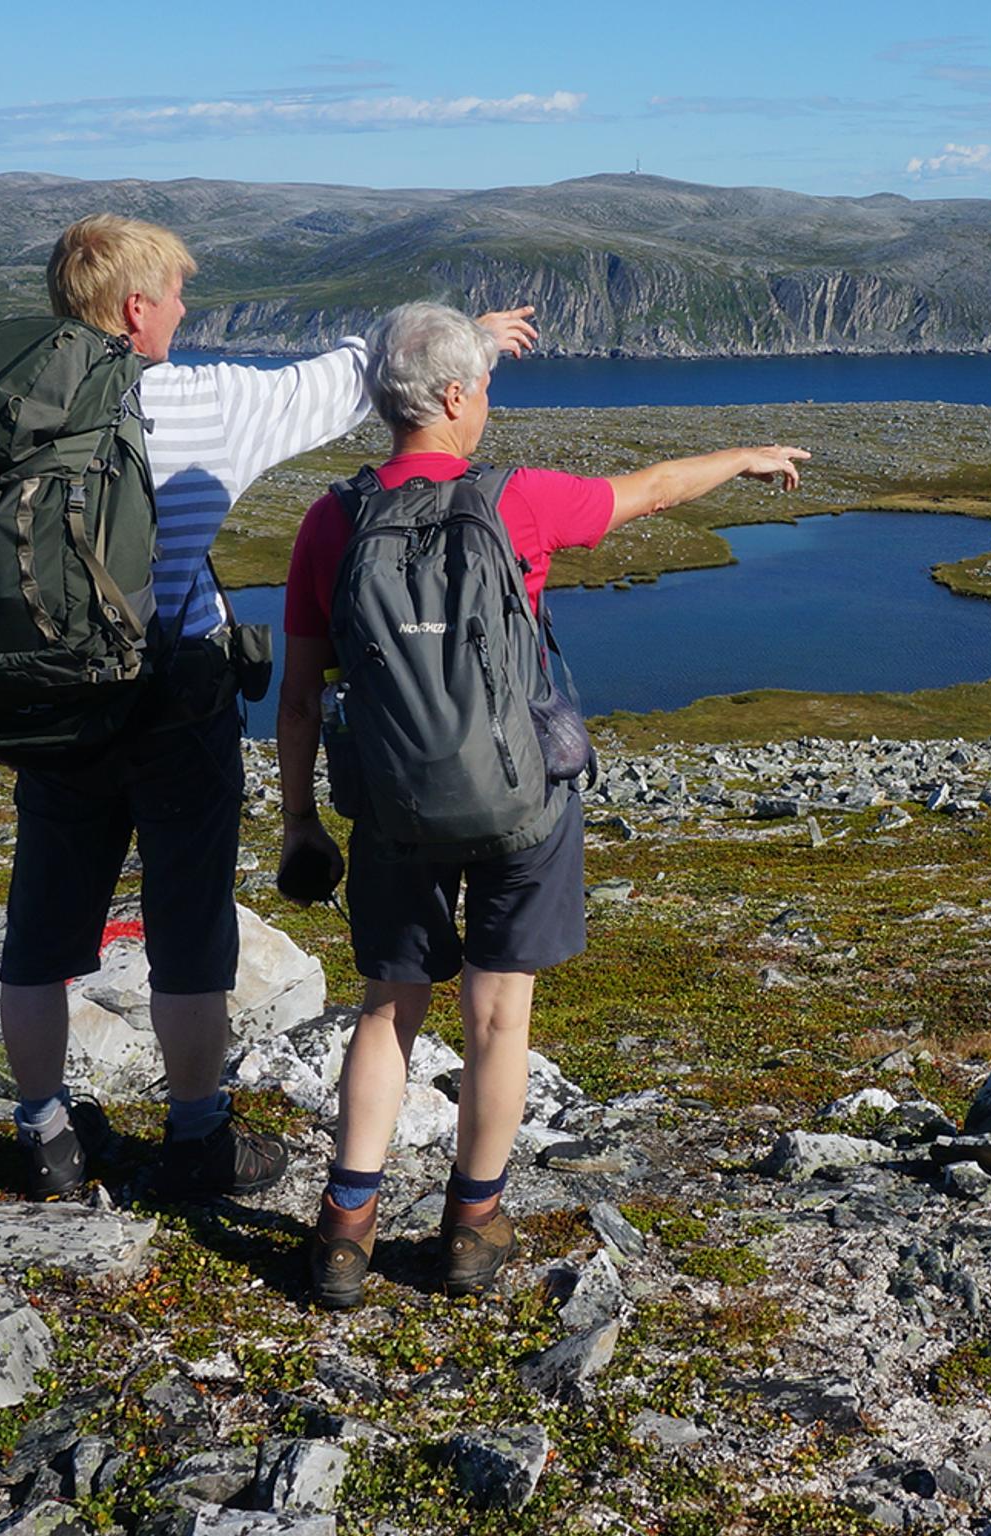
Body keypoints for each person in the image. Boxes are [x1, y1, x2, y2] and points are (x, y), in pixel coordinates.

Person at [275, 301, 808, 1305]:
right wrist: (741, 455)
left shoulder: (330, 522)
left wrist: (302, 822)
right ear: (449, 397)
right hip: (521, 802)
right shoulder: (516, 503)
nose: (485, 403)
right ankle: (472, 1228)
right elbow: (645, 492)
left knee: (387, 1012)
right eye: (477, 387)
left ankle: (344, 1234)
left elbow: (300, 696)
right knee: (496, 1014)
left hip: (389, 807)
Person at [1, 218, 539, 1202]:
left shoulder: (5, 406)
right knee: (188, 924)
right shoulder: (201, 406)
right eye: (174, 296)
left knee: (40, 929)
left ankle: (42, 1136)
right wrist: (470, 336)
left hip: (49, 699)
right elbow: (349, 376)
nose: (182, 311)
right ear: (134, 309)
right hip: (173, 696)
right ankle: (197, 1136)